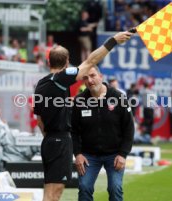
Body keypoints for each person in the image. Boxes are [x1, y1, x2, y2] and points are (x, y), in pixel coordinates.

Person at [33, 31, 133, 201]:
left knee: (49, 191)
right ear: (66, 62)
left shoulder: (41, 84)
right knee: (54, 194)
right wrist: (113, 41)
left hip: (49, 141)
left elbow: (39, 120)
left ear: (49, 61)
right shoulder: (60, 79)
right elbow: (90, 61)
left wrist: (50, 137)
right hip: (59, 141)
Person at [71, 66, 134, 201]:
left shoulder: (119, 97)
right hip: (88, 156)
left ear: (101, 76)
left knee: (115, 188)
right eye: (86, 78)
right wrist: (77, 154)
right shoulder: (79, 101)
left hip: (114, 154)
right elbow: (74, 131)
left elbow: (129, 128)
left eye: (93, 76)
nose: (90, 80)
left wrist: (123, 154)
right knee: (84, 188)